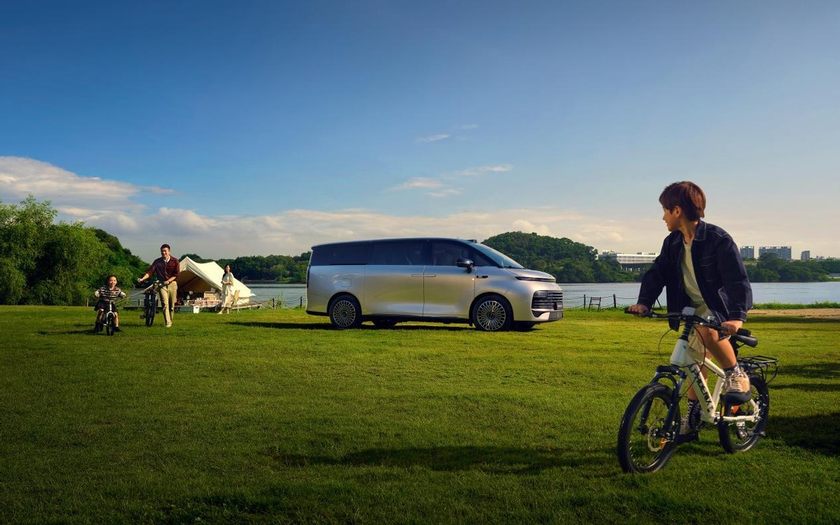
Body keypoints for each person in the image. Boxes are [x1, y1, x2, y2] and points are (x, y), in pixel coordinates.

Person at [627, 181, 753, 433]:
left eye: (665, 210)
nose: (663, 217)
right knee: (694, 362)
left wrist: (737, 317)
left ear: (677, 210)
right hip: (690, 308)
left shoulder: (718, 239)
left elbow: (736, 280)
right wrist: (644, 302)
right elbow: (657, 273)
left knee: (708, 333)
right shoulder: (672, 242)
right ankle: (694, 416)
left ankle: (735, 373)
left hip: (718, 308)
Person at [138, 244, 180, 328]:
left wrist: (169, 281)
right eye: (162, 251)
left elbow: (176, 274)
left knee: (171, 306)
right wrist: (142, 279)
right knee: (164, 304)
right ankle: (167, 322)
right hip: (161, 284)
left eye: (165, 251)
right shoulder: (157, 261)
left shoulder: (175, 261)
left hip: (172, 284)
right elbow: (150, 272)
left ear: (169, 251)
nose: (163, 252)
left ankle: (170, 320)